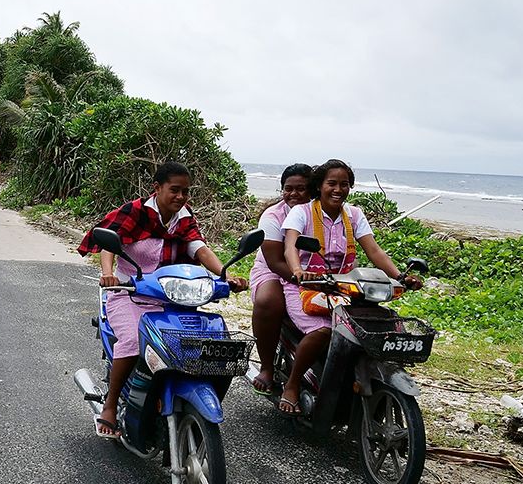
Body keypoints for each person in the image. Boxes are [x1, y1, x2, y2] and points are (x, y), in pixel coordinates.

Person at [78, 161, 249, 438]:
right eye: (174, 190)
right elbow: (110, 243)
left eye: (186, 191)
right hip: (129, 292)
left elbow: (199, 249)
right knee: (134, 342)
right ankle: (110, 406)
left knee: (202, 344)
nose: (181, 197)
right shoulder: (135, 212)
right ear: (156, 188)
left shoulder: (184, 217)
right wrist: (108, 274)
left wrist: (225, 275)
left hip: (170, 294)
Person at [277, 159, 422, 415]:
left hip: (342, 287)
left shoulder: (354, 214)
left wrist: (400, 276)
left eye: (344, 184)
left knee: (371, 326)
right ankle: (292, 384)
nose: (338, 189)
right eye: (331, 183)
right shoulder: (302, 212)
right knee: (323, 330)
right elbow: (291, 245)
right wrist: (298, 271)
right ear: (319, 186)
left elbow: (373, 249)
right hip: (304, 286)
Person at [248, 164, 312, 393]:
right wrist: (305, 280)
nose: (293, 194)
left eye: (301, 189)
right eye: (288, 188)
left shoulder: (320, 213)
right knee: (269, 301)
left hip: (312, 272)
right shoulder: (273, 215)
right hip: (273, 269)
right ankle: (266, 367)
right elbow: (274, 261)